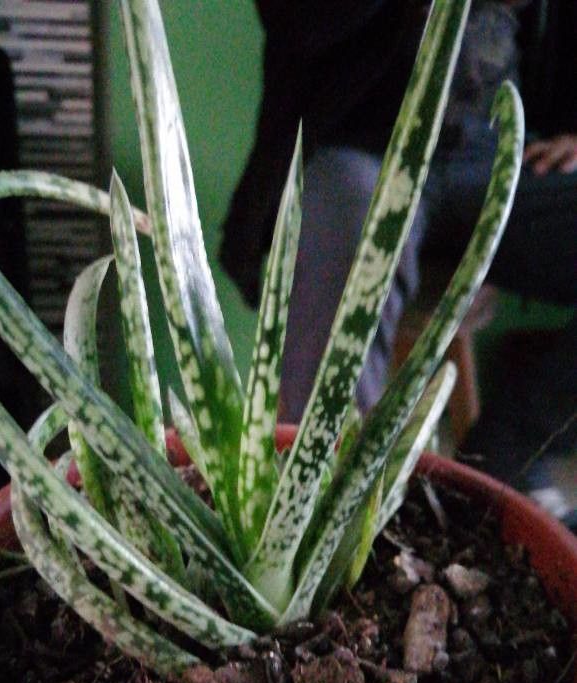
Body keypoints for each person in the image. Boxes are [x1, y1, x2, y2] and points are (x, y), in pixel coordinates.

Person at [221, 0, 576, 520]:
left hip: (496, 154)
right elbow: (296, 21)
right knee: (355, 232)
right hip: (364, 145)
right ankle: (326, 503)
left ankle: (508, 454)